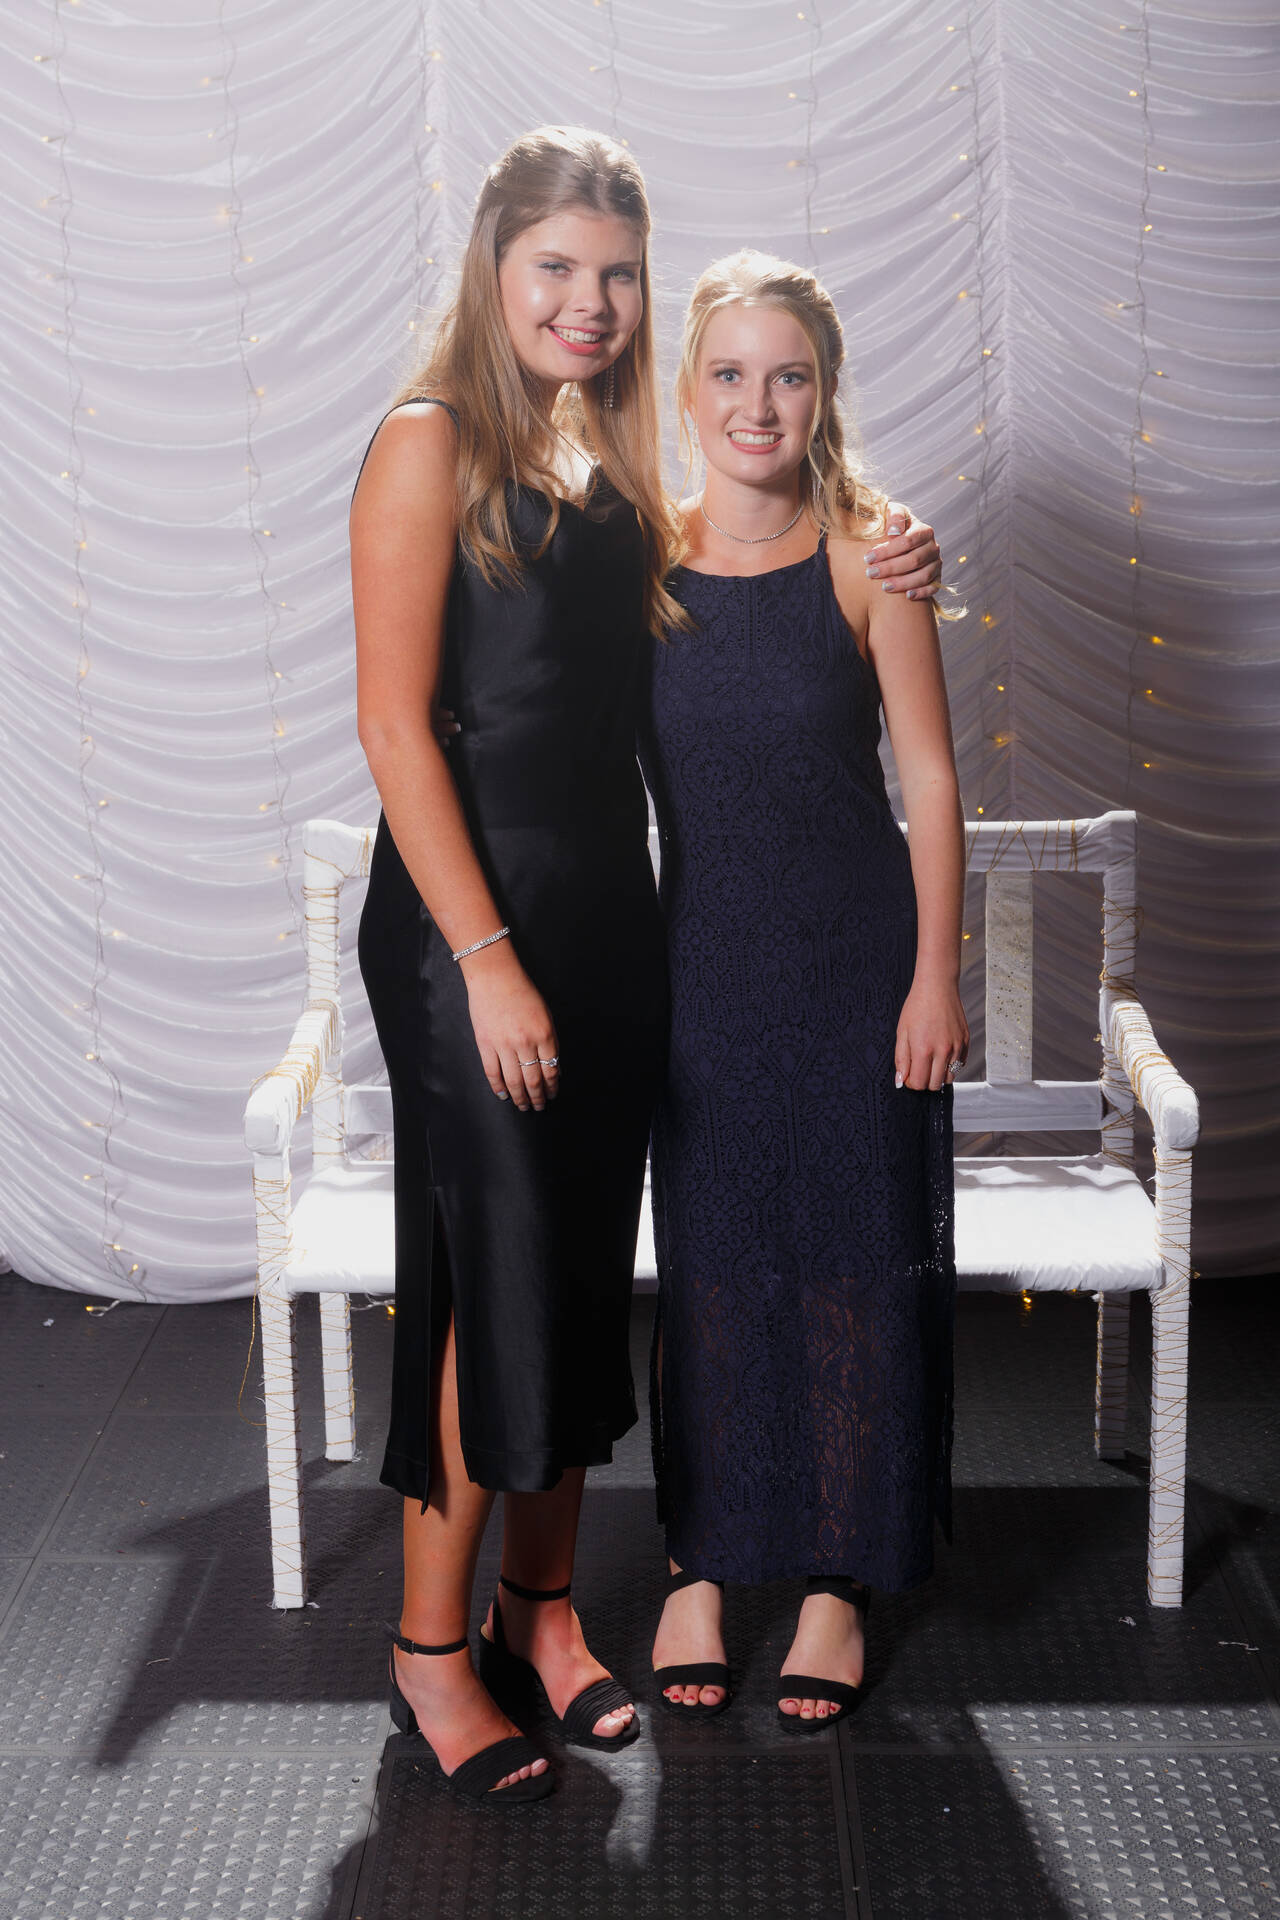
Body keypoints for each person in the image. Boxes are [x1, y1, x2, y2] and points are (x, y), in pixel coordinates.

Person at [351, 125, 682, 1805]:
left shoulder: (607, 459)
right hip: (467, 923)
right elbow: (396, 729)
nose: (589, 301)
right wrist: (485, 962)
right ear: (494, 265)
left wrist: (880, 544)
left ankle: (539, 1615)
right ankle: (430, 1656)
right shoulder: (430, 442)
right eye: (557, 267)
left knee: (578, 1275)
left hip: (606, 915)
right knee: (493, 1287)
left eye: (616, 273)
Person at [638, 250, 966, 1732]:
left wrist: (935, 975)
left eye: (788, 376)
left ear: (824, 394)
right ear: (687, 390)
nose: (756, 403)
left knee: (851, 1256)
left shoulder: (868, 560)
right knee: (710, 1261)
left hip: (854, 966)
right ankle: (702, 1559)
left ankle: (838, 1573)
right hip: (699, 966)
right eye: (729, 373)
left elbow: (932, 780)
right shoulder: (640, 567)